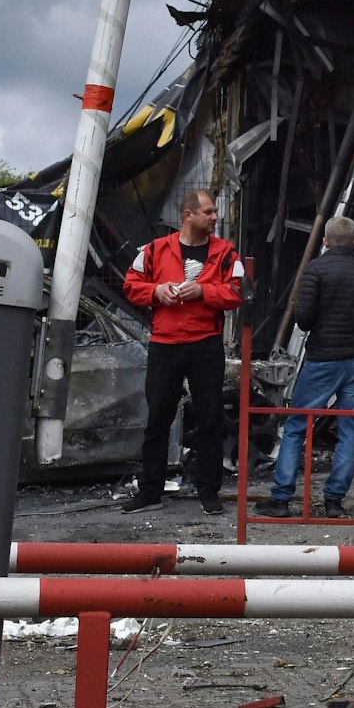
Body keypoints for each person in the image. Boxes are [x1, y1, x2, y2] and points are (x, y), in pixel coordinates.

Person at [121, 190, 245, 515]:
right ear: (188, 215)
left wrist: (204, 291)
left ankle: (209, 493)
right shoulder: (155, 249)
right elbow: (131, 284)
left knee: (210, 419)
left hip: (206, 344)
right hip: (164, 344)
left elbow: (237, 291)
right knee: (157, 420)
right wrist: (156, 291)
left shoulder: (226, 253)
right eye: (208, 211)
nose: (214, 217)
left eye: (215, 211)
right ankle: (150, 492)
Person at [257, 216, 354, 519]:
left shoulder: (316, 270)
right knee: (349, 431)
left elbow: (303, 319)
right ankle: (334, 502)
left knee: (295, 427)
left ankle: (281, 499)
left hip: (322, 361)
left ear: (325, 241)